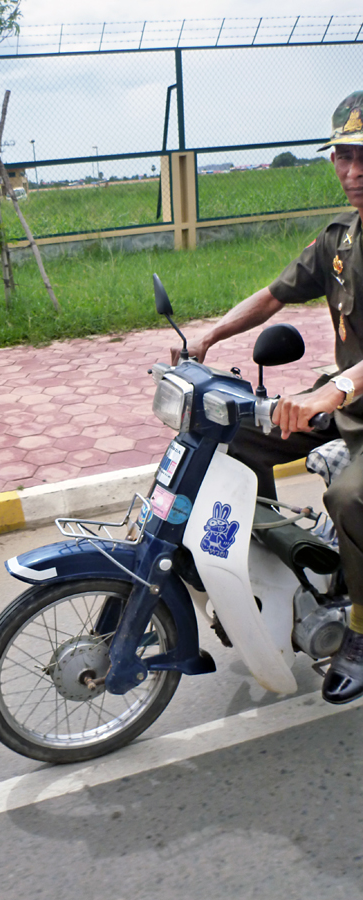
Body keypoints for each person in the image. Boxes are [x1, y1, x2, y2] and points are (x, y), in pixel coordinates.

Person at [170, 91, 363, 705]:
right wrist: (210, 335)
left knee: (351, 496)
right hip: (347, 404)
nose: (352, 171)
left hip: (349, 399)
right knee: (238, 433)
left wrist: (334, 390)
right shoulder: (341, 241)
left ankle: (359, 633)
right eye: (342, 157)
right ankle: (277, 572)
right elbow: (275, 294)